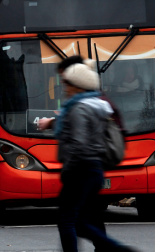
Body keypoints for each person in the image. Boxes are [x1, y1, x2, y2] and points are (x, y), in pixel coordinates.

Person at [39, 59, 136, 252]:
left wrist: (69, 171)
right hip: (91, 170)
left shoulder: (79, 108)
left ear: (77, 86)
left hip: (81, 170)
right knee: (82, 222)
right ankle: (115, 249)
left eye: (67, 83)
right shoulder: (95, 106)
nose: (64, 87)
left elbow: (79, 144)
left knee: (67, 221)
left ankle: (120, 250)